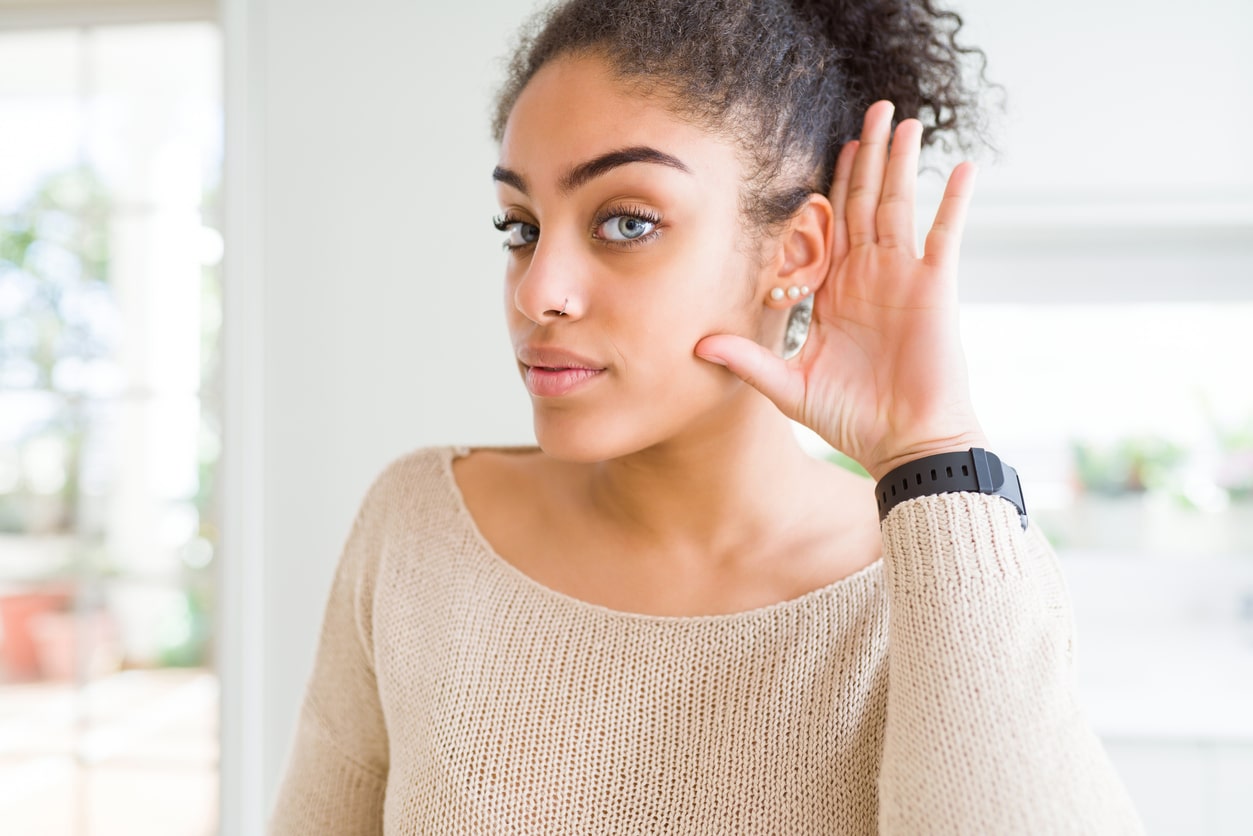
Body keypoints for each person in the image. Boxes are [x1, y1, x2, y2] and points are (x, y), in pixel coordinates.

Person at [269, 0, 1144, 832]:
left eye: (625, 223)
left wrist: (932, 452)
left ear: (794, 253)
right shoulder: (419, 528)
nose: (537, 291)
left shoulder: (942, 577)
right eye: (520, 226)